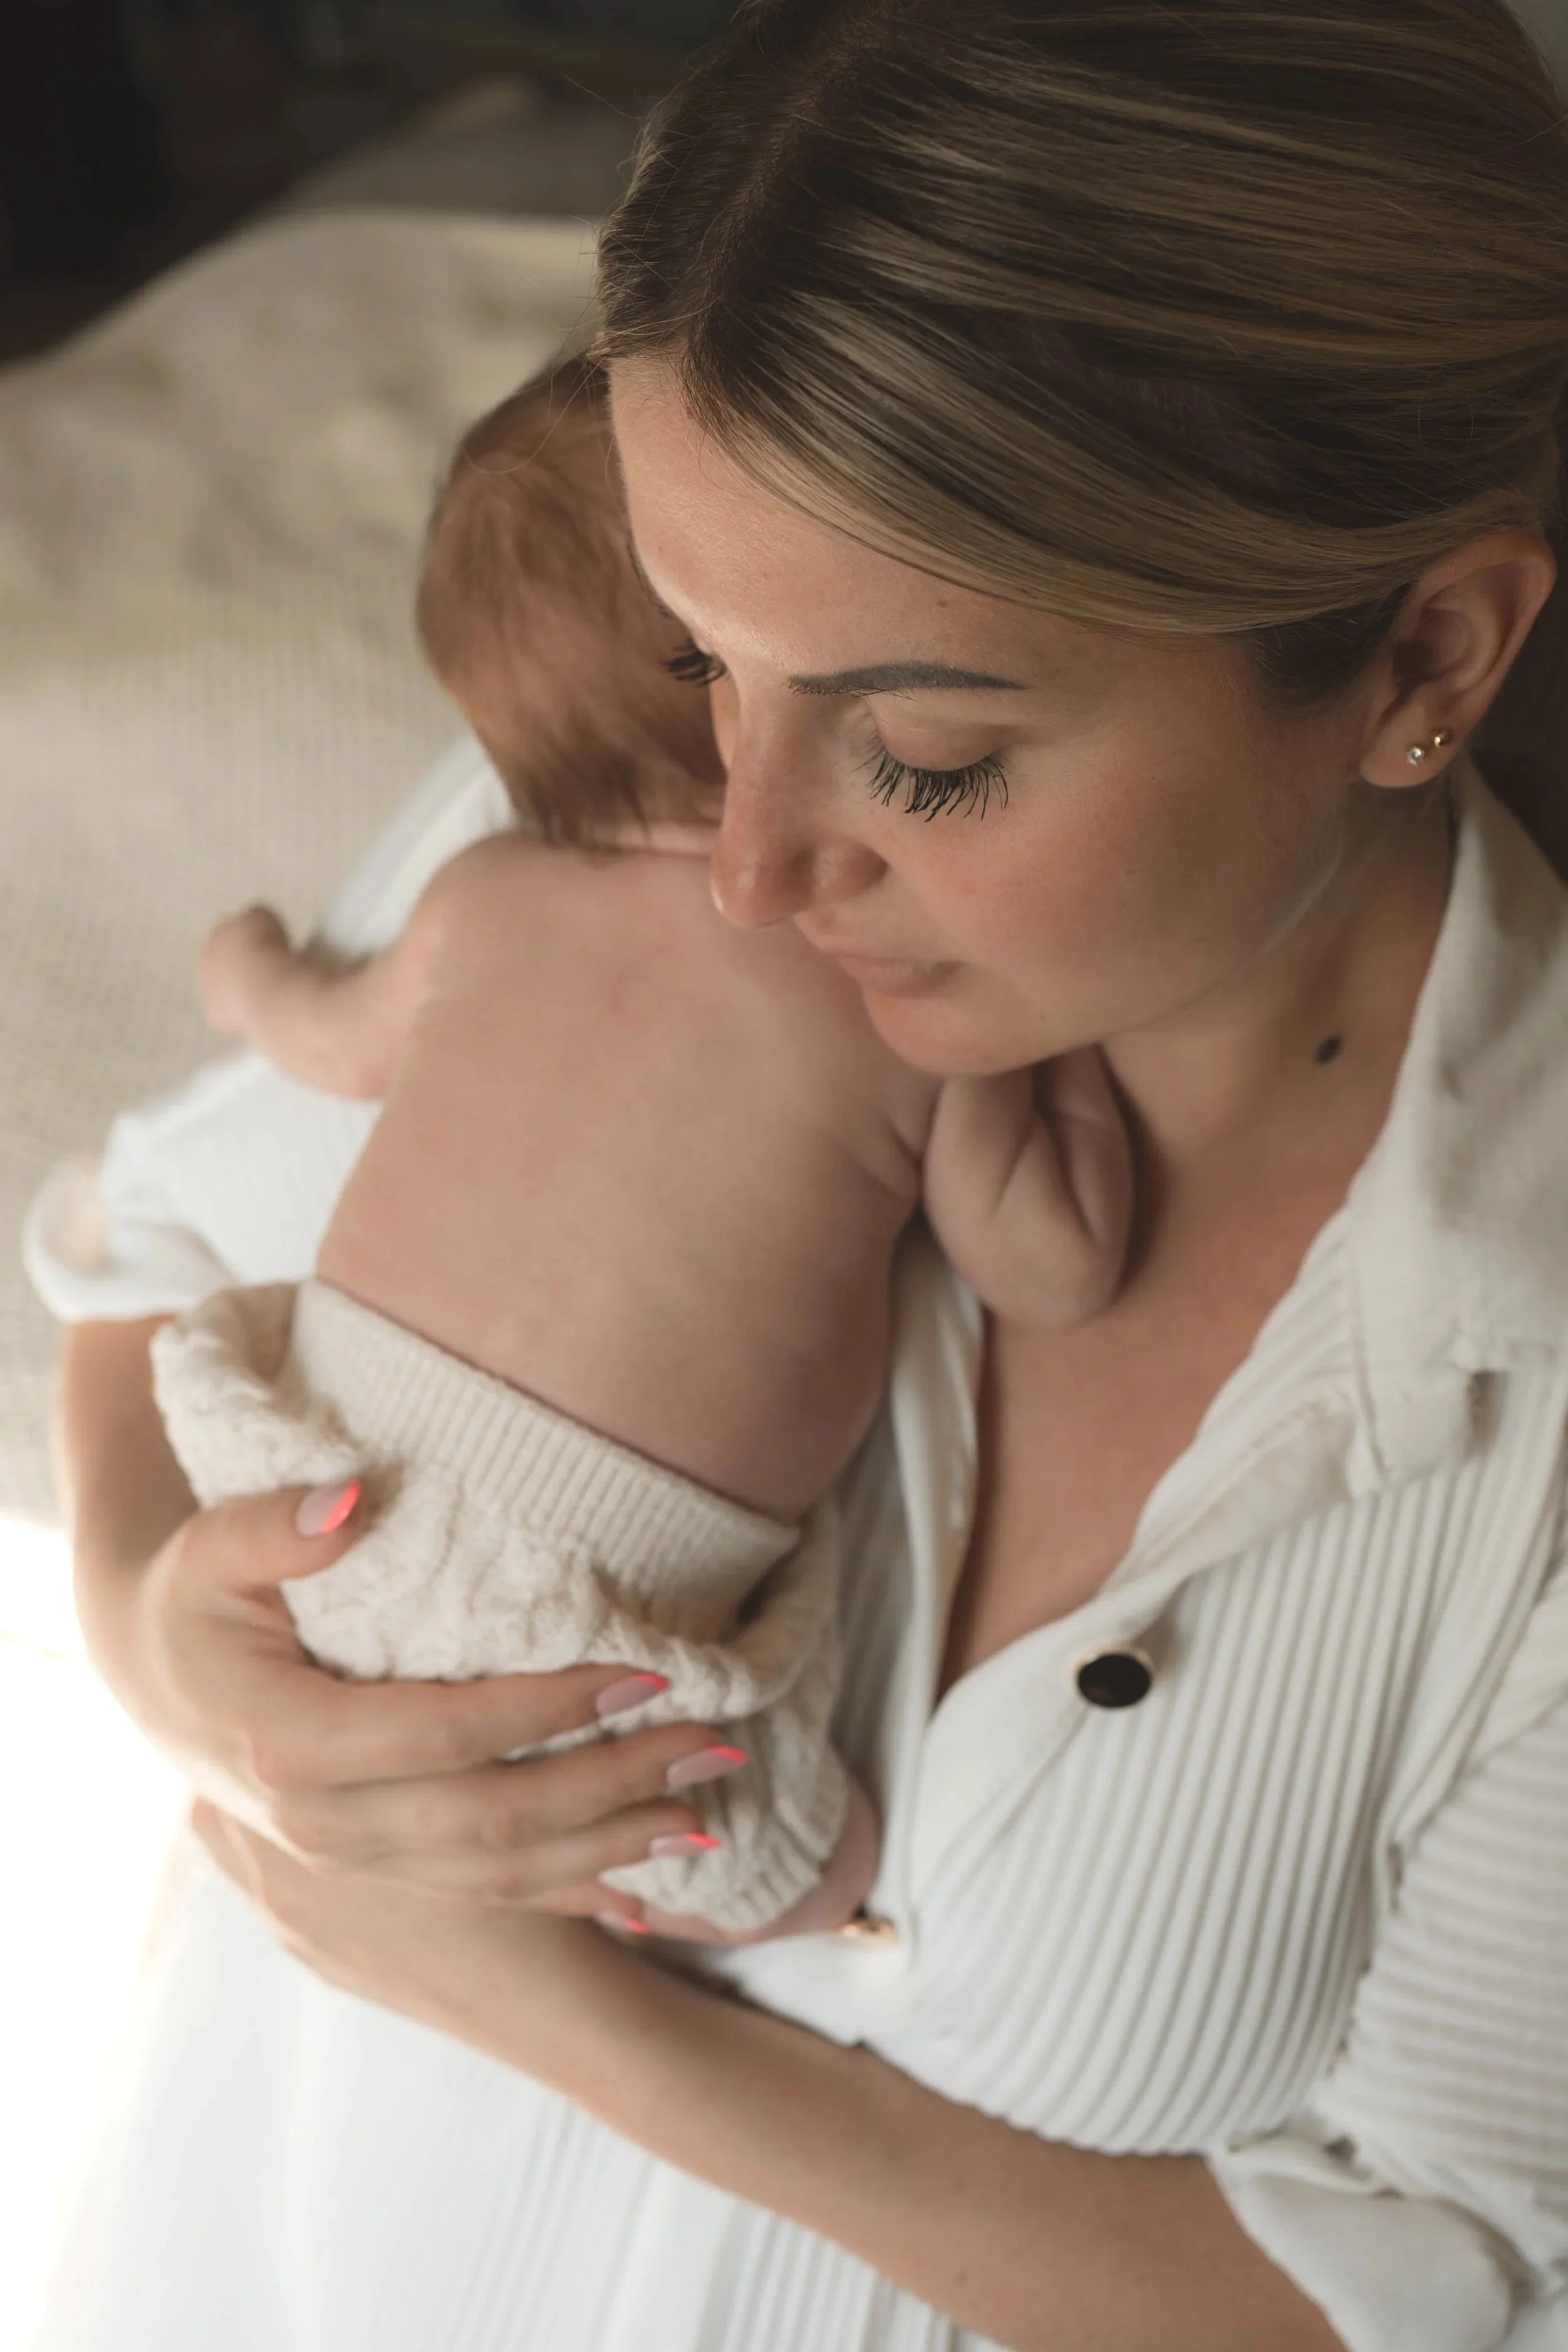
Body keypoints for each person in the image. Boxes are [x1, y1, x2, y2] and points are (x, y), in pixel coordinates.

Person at [28, 2, 1568, 2346]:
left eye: (930, 754)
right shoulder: (662, 791)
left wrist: (551, 2001)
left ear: (1423, 652)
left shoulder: (1518, 1375)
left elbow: (1449, 2283)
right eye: (708, 658)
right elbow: (144, 1270)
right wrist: (173, 1644)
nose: (741, 859)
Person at [156, 358, 1130, 1941]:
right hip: (610, 1582)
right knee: (808, 1861)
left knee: (488, 1800)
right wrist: (1052, 1031)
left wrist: (243, 970)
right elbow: (1055, 1262)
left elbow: (326, 1043)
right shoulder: (881, 970)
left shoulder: (481, 895)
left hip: (325, 1483)